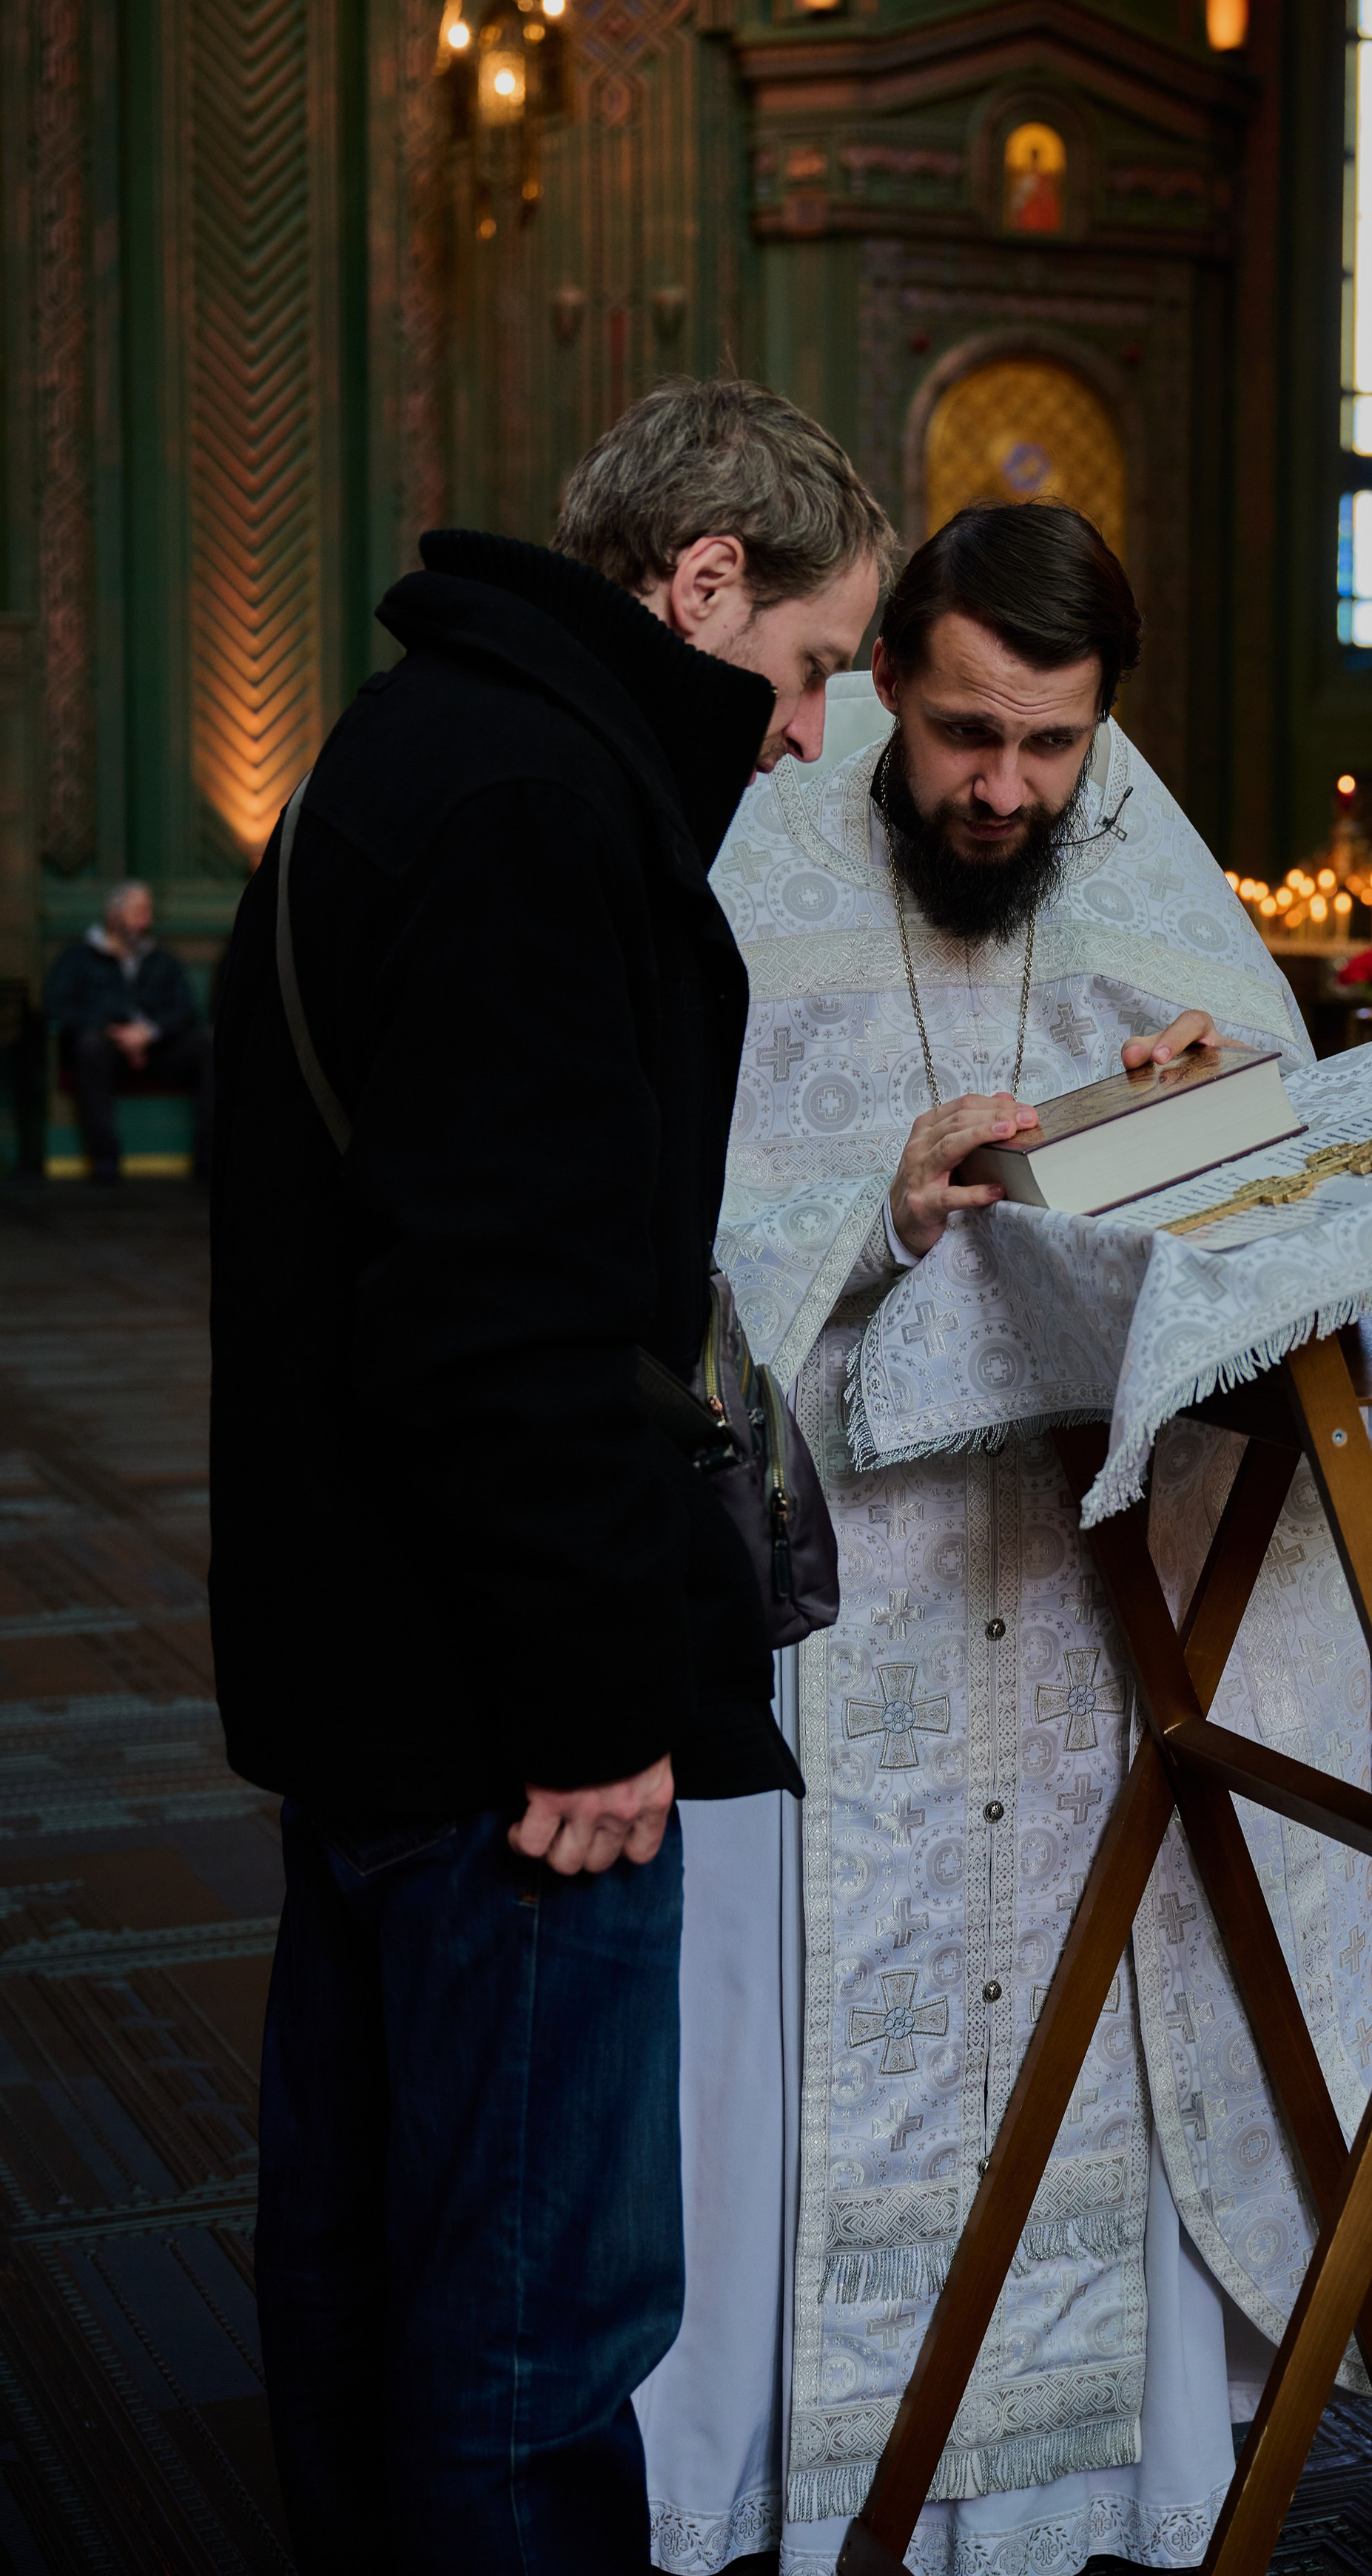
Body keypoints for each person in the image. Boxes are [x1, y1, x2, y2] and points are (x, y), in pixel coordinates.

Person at [634, 502, 1372, 2576]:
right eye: (966, 734)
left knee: (1087, 2031)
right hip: (839, 1588)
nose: (1006, 789)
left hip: (1076, 1590)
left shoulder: (1138, 849)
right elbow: (661, 1234)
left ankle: (1070, 2492)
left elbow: (1273, 1170)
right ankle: (782, 2486)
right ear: (886, 684)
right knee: (800, 2058)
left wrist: (1191, 1113)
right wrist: (877, 1204)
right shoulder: (765, 864)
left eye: (1050, 745)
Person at [209, 377, 892, 2574]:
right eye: (805, 671)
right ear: (704, 583)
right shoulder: (539, 802)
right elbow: (503, 1329)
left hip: (373, 1663)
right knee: (535, 2322)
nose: (805, 734)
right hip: (505, 1712)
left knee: (369, 2256)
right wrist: (601, 1702)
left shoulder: (423, 742)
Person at [44, 879, 213, 1181]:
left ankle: (210, 1156)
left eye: (148, 911)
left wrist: (149, 1032)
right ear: (114, 915)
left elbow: (186, 1009)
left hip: (158, 1049)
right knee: (90, 1045)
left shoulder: (162, 958)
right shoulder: (79, 956)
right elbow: (57, 1007)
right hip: (106, 1050)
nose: (145, 920)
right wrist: (114, 1030)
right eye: (138, 911)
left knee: (209, 1042)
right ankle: (105, 1158)